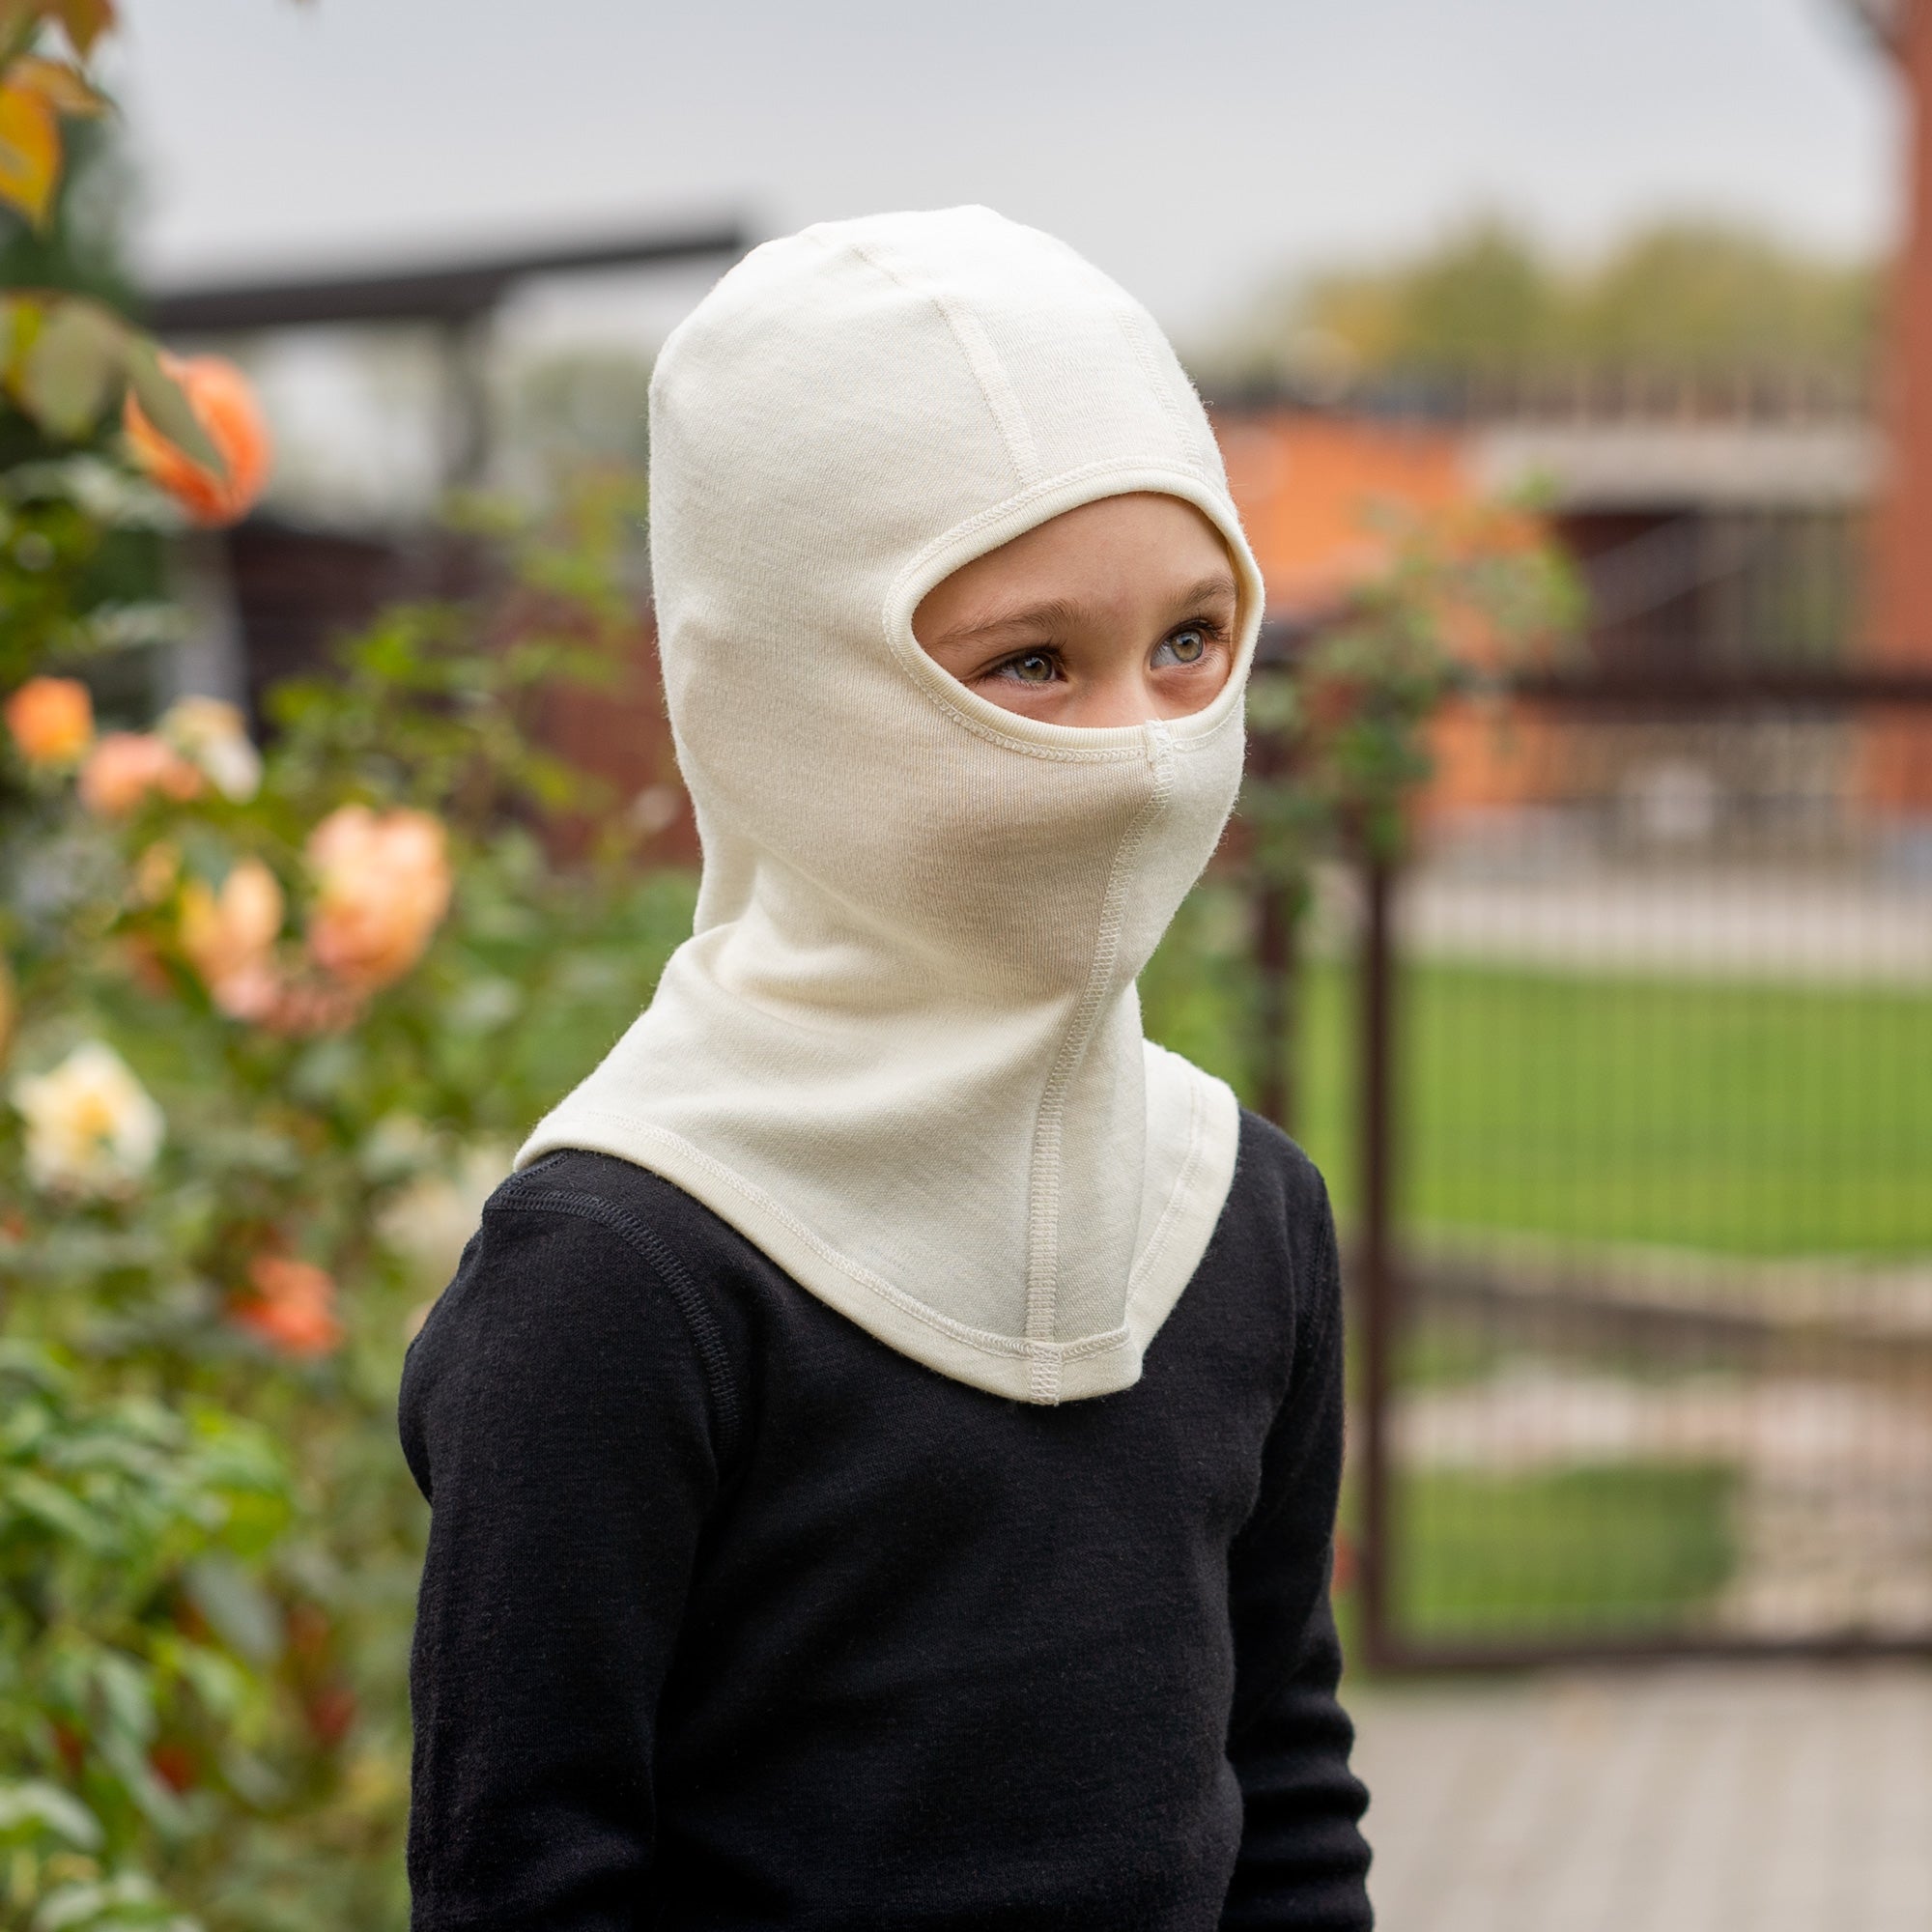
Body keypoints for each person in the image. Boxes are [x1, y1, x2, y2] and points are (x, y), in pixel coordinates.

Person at [400, 206, 1373, 1931]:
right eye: (1029, 664)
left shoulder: (1243, 1211)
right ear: (785, 691)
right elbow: (528, 1877)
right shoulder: (624, 1269)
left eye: (1191, 642)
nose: (1141, 756)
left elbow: (1284, 1782)